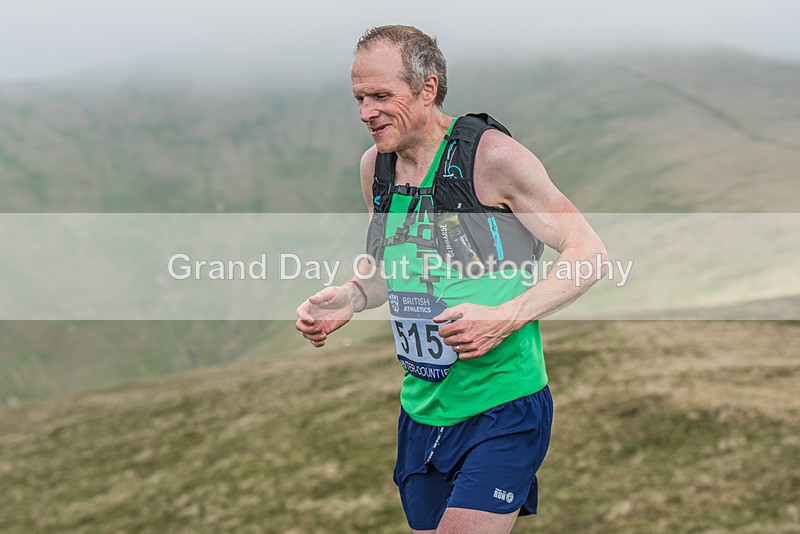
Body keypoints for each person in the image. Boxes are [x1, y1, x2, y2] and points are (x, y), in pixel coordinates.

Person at [296, 25, 607, 534]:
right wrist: (352, 296)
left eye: (380, 96)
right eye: (358, 98)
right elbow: (390, 269)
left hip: (503, 405)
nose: (365, 112)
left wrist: (505, 318)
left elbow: (589, 253)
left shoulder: (493, 158)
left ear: (428, 88)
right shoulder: (375, 168)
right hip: (421, 410)